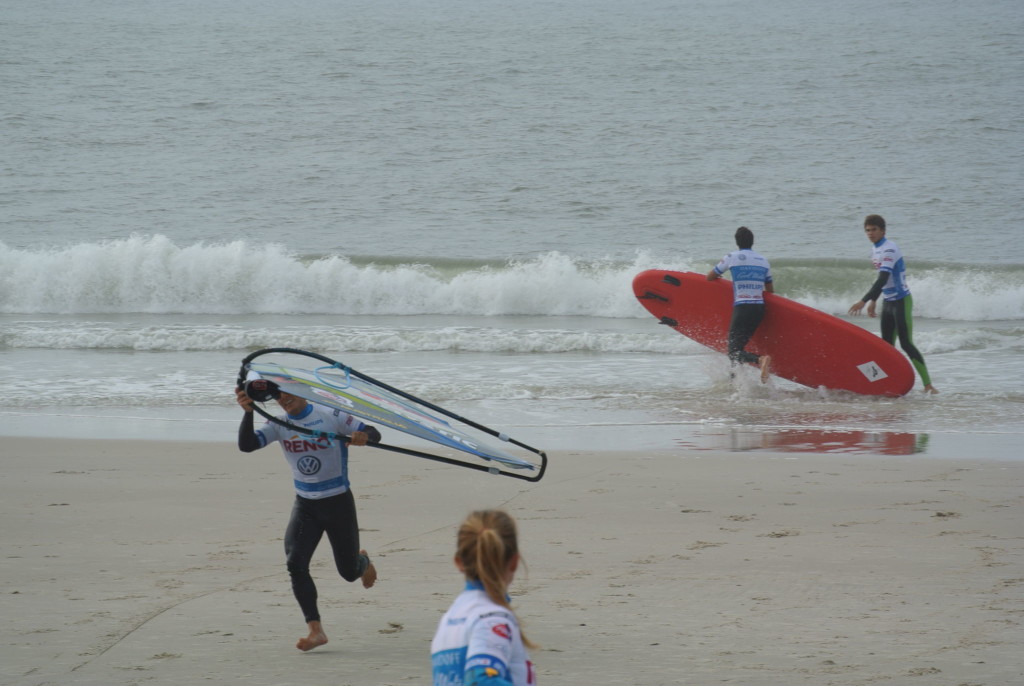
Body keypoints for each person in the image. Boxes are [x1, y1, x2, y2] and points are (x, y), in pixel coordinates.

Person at [235, 382, 382, 651]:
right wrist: (248, 412)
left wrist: (364, 437)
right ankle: (315, 630)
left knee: (348, 573)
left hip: (338, 503)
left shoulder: (331, 416)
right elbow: (247, 445)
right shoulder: (278, 424)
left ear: (303, 392)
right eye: (278, 396)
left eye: (288, 393)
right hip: (306, 506)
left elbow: (373, 432)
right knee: (295, 564)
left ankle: (363, 561)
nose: (283, 399)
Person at [431, 510, 536, 686]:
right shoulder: (492, 619)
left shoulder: (450, 619)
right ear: (514, 561)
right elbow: (480, 679)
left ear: (458, 562)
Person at [847, 214, 938, 393]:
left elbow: (883, 278)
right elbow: (883, 280)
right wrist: (875, 300)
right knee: (886, 348)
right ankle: (884, 386)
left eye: (874, 230)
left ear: (883, 231)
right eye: (867, 230)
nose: (870, 233)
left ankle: (928, 385)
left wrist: (864, 301)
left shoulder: (889, 249)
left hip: (901, 300)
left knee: (906, 343)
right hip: (888, 302)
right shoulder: (876, 250)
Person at [707, 226, 774, 383]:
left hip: (742, 307)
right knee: (737, 349)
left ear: (737, 242)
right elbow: (770, 289)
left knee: (733, 352)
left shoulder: (732, 257)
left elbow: (710, 277)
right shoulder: (763, 261)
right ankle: (734, 382)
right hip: (759, 309)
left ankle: (760, 360)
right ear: (753, 242)